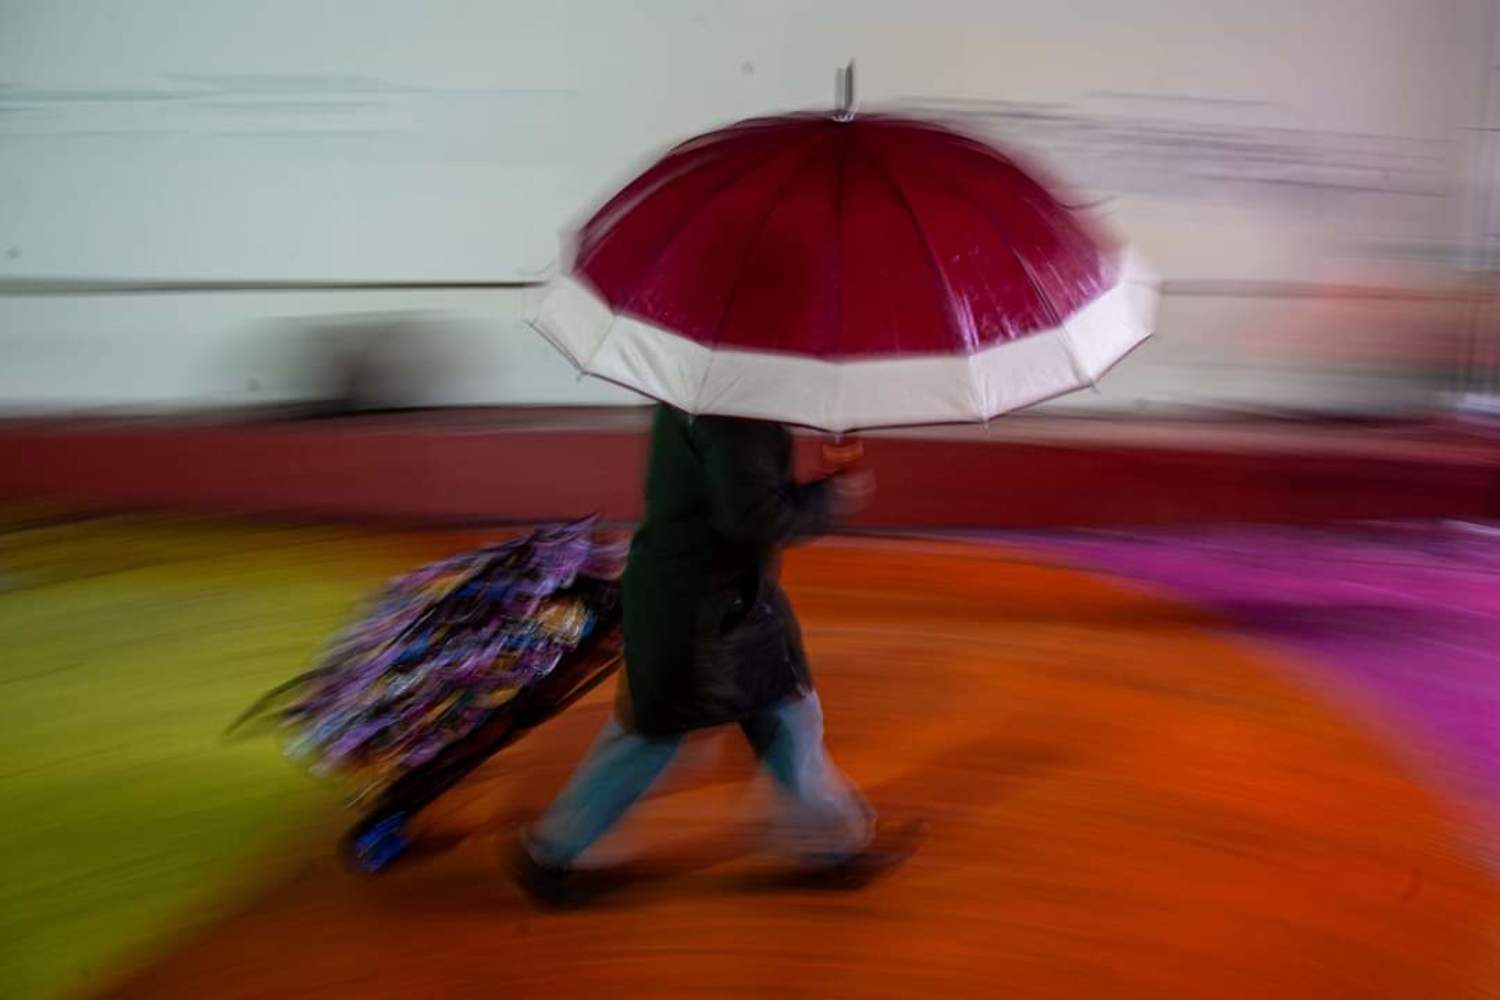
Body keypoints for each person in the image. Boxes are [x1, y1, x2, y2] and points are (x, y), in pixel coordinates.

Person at [512, 405, 921, 905]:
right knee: (656, 737)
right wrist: (832, 496)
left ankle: (833, 845)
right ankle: (553, 853)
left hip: (709, 600)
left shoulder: (698, 396)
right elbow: (751, 517)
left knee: (783, 715)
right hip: (707, 610)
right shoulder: (737, 413)